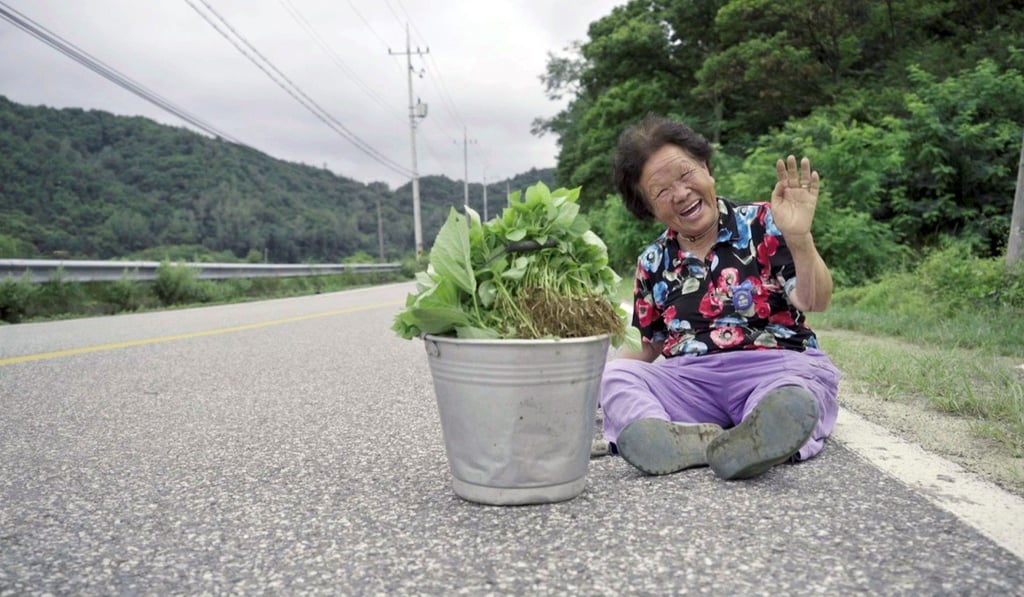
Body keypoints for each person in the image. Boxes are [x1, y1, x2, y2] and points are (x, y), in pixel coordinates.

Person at [600, 115, 841, 480]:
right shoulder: (653, 261)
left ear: (707, 169)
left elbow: (814, 300)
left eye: (685, 175)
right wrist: (603, 381)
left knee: (792, 394)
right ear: (648, 209)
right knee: (616, 376)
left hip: (775, 368)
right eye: (661, 191)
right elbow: (646, 346)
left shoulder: (765, 222)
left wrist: (800, 237)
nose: (680, 194)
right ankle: (674, 439)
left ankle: (759, 436)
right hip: (691, 384)